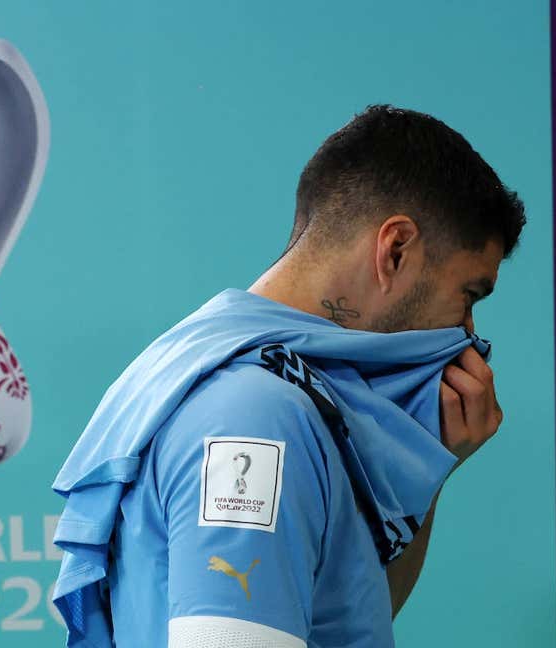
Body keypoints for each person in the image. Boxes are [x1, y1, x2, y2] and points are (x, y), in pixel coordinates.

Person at [50, 104, 527, 647]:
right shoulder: (254, 416)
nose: (468, 332)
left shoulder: (273, 385)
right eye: (467, 296)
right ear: (394, 251)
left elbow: (342, 618)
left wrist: (430, 469)